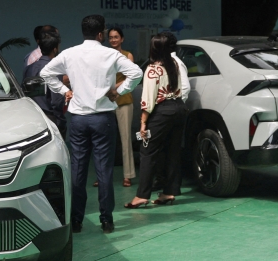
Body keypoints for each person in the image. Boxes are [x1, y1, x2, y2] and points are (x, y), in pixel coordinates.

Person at [40, 15, 142, 234]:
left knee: (78, 170)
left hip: (77, 118)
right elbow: (136, 72)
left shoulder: (69, 53)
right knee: (104, 170)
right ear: (100, 34)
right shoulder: (111, 54)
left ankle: (76, 220)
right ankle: (107, 220)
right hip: (103, 118)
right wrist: (119, 91)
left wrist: (64, 91)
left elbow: (45, 73)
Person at [126, 32, 189, 209]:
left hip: (162, 112)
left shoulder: (153, 69)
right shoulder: (175, 64)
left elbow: (148, 98)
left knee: (148, 152)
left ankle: (141, 196)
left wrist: (143, 122)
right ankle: (169, 192)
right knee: (173, 151)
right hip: (178, 108)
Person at [108, 28, 137, 188]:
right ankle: (103, 175)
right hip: (106, 102)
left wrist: (115, 88)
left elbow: (131, 77)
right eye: (111, 37)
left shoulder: (128, 56)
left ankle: (128, 175)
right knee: (104, 142)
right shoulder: (104, 55)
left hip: (123, 99)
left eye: (116, 37)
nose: (113, 40)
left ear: (122, 39)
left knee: (125, 139)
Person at [23, 32, 66, 137]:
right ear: (55, 49)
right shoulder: (54, 68)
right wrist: (60, 121)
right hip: (50, 118)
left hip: (32, 116)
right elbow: (57, 100)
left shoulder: (29, 67)